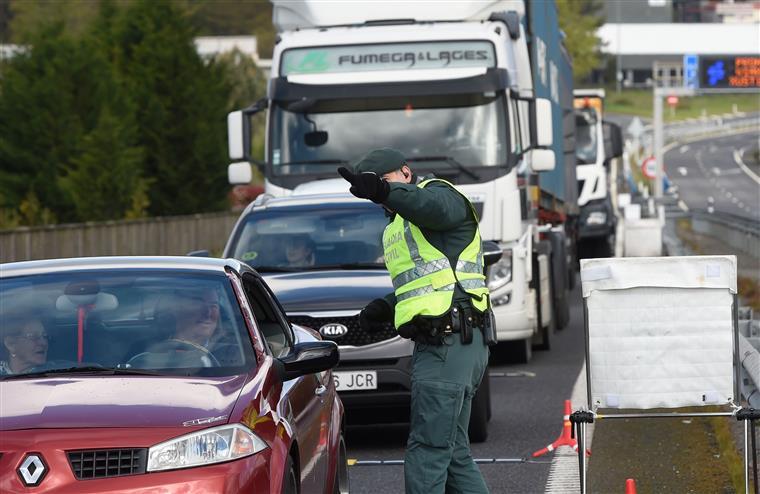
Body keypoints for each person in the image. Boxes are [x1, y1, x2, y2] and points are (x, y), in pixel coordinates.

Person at [338, 148, 493, 494]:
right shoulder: (400, 226)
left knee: (428, 453)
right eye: (373, 189)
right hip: (453, 343)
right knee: (452, 455)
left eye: (385, 183)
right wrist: (384, 307)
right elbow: (430, 282)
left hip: (448, 346)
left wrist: (383, 189)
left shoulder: (441, 196)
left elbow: (429, 208)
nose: (380, 196)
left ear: (407, 173)